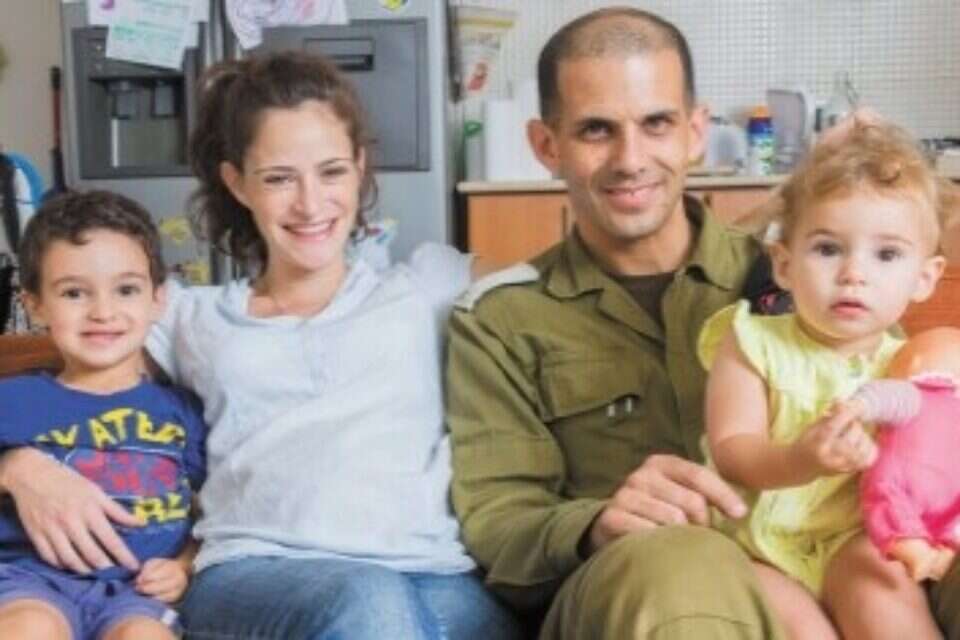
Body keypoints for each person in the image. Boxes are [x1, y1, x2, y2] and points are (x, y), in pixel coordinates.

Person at [444, 7, 960, 639]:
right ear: (547, 146)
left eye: (656, 124)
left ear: (695, 131)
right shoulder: (501, 320)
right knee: (681, 564)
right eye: (596, 130)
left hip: (852, 546)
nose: (630, 159)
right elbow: (499, 523)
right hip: (643, 578)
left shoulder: (800, 271)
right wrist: (598, 522)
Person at [0, 52, 520, 639]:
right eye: (278, 178)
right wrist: (18, 466)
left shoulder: (427, 283)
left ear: (359, 166)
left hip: (430, 569)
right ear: (237, 183)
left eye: (331, 171)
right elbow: (77, 371)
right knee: (370, 602)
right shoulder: (188, 314)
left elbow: (568, 284)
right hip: (255, 570)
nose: (310, 203)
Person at [699, 122, 948, 639]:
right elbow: (732, 450)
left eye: (886, 255)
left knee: (891, 609)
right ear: (784, 264)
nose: (854, 273)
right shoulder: (750, 341)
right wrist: (801, 459)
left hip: (858, 537)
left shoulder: (909, 366)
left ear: (924, 278)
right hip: (752, 544)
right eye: (828, 249)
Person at [0, 190, 206, 640]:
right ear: (35, 304)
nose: (103, 312)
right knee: (30, 629)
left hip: (137, 593)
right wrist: (11, 470)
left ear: (158, 299)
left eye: (126, 290)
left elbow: (215, 514)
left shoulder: (183, 412)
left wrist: (184, 565)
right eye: (74, 293)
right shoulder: (12, 398)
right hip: (25, 582)